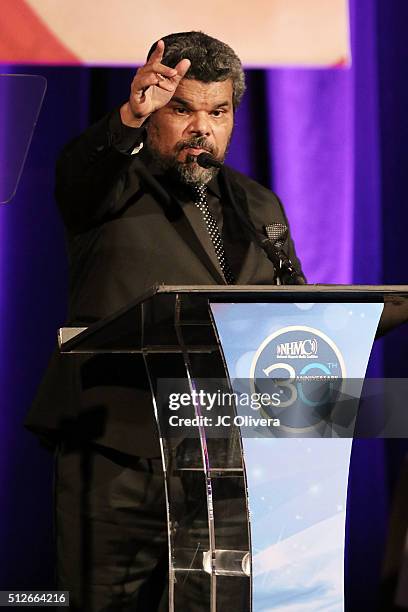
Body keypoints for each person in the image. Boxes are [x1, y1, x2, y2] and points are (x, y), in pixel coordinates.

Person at [26, 31, 304, 611]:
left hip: (224, 457)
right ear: (155, 111)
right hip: (118, 453)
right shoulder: (110, 185)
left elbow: (290, 303)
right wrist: (129, 115)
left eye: (218, 112)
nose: (201, 127)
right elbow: (78, 174)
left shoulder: (259, 205)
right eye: (182, 109)